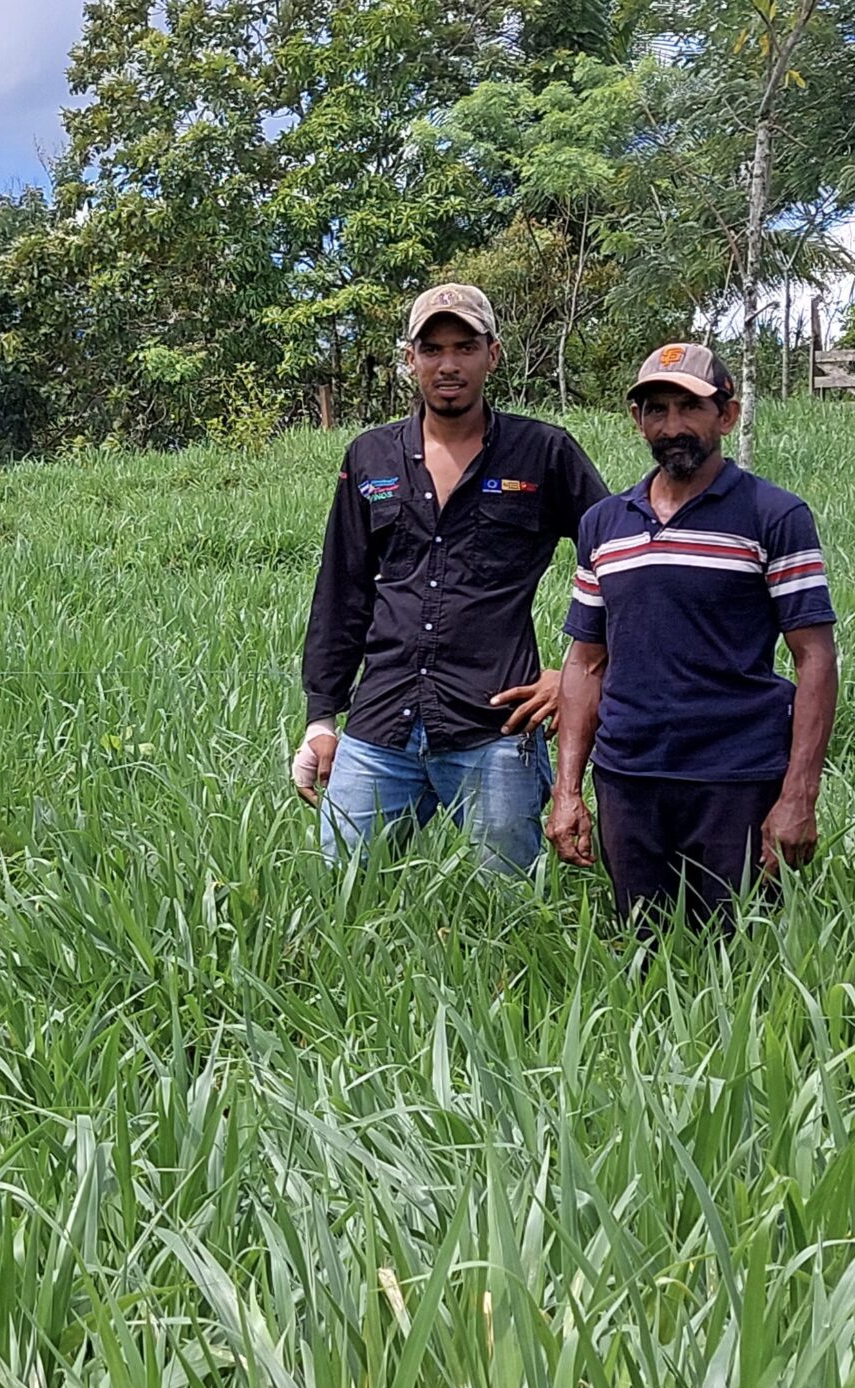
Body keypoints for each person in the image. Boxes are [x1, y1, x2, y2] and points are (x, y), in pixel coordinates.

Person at [295, 283, 608, 871]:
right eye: (432, 348)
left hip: (494, 728)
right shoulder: (370, 457)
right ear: (409, 359)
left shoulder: (543, 454)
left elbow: (622, 565)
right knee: (337, 901)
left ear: (492, 354)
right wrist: (320, 718)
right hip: (380, 725)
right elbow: (342, 590)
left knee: (509, 912)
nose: (448, 365)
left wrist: (570, 676)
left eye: (464, 347)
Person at [546, 342, 838, 924]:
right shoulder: (604, 525)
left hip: (735, 779)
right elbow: (585, 664)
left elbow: (816, 660)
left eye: (691, 407)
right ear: (637, 421)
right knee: (644, 954)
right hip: (629, 778)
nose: (673, 425)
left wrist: (799, 793)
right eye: (656, 408)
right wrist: (568, 789)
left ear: (726, 415)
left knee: (742, 960)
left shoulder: (773, 517)